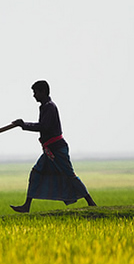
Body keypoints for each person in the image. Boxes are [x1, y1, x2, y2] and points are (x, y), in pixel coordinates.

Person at [11, 80, 96, 213]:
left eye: (36, 92)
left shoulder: (50, 107)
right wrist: (23, 125)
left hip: (57, 149)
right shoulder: (45, 107)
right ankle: (27, 205)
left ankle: (91, 202)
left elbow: (44, 126)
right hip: (49, 151)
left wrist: (24, 125)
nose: (34, 96)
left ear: (43, 92)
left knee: (69, 175)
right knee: (36, 173)